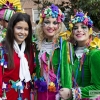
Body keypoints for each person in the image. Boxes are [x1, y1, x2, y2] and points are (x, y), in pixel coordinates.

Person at [32, 4, 72, 100]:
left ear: (59, 25)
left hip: (58, 92)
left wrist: (67, 91)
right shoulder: (38, 45)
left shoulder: (63, 44)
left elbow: (66, 69)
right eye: (47, 22)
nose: (51, 26)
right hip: (41, 91)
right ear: (42, 24)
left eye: (55, 23)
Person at [59, 11, 100, 100]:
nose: (79, 30)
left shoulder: (95, 54)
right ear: (72, 32)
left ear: (90, 31)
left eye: (83, 27)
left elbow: (98, 90)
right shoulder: (69, 52)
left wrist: (73, 93)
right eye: (75, 28)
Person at [0, 12, 35, 100]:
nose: (23, 32)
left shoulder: (30, 48)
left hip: (25, 94)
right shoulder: (2, 49)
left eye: (26, 29)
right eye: (19, 28)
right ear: (12, 28)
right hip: (7, 95)